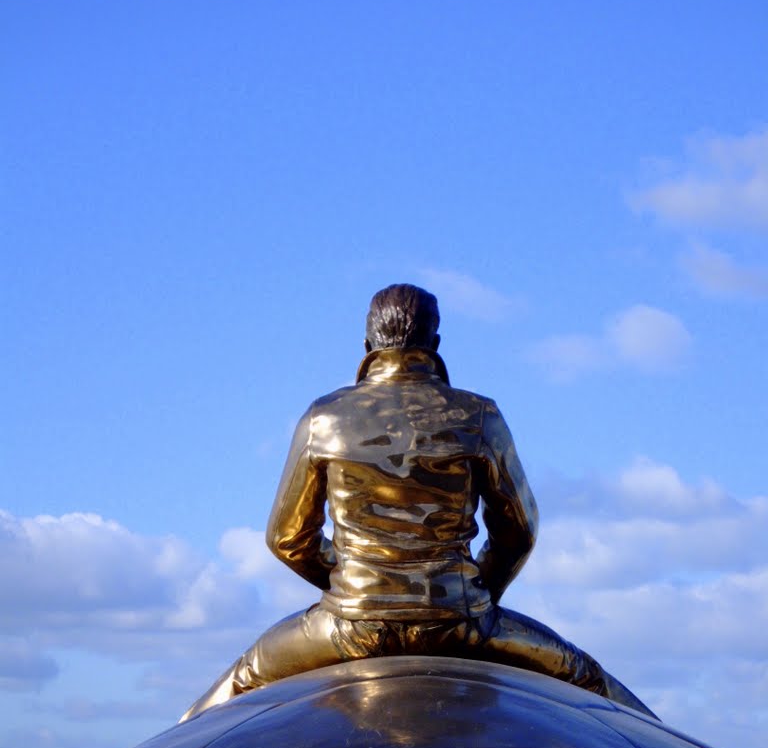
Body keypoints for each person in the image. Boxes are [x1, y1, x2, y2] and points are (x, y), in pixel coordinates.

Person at [182, 284, 651, 720]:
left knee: (239, 682)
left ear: (367, 345)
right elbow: (518, 530)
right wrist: (470, 594)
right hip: (462, 623)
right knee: (586, 676)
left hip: (349, 628)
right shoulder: (478, 414)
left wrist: (356, 585)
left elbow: (286, 538)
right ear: (436, 343)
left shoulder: (324, 417)